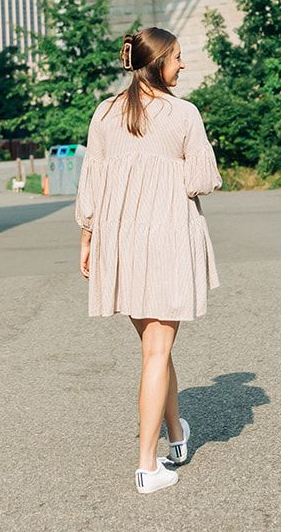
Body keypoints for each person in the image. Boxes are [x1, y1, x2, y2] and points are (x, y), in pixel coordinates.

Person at [75, 27, 222, 496]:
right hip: (166, 239)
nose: (183, 65)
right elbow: (202, 179)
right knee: (157, 351)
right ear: (158, 62)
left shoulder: (105, 112)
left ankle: (176, 436)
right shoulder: (183, 114)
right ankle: (146, 466)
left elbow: (91, 181)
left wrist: (87, 236)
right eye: (178, 57)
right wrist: (170, 167)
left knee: (156, 346)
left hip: (121, 243)